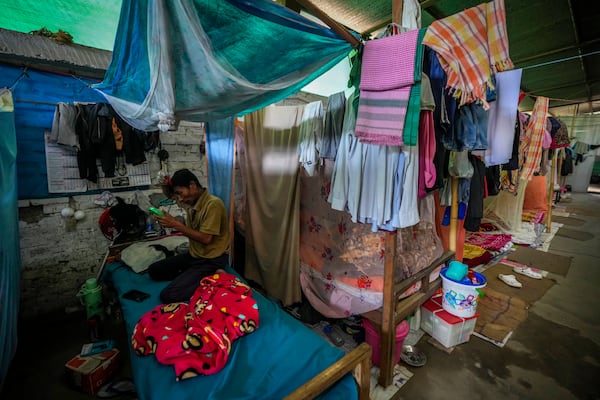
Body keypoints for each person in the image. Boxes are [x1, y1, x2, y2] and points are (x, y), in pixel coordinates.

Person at [148, 169, 230, 303]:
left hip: (211, 259)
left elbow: (206, 239)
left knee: (169, 295)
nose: (179, 199)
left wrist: (175, 224)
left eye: (180, 193)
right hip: (194, 255)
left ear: (192, 186)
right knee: (154, 271)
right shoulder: (190, 200)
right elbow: (170, 195)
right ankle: (192, 275)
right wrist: (164, 183)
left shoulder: (213, 204)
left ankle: (213, 275)